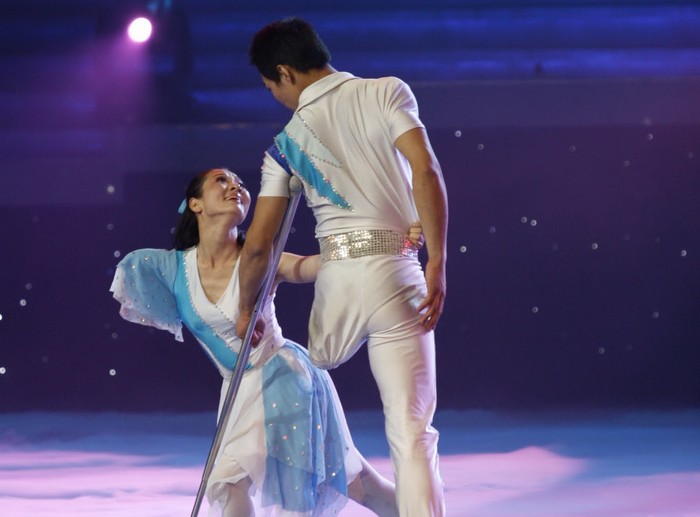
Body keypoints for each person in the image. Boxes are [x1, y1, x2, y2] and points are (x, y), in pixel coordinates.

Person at [110, 168, 423, 516]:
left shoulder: (261, 259)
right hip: (236, 390)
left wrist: (388, 241)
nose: (235, 187)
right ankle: (420, 509)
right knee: (354, 485)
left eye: (240, 184)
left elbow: (317, 264)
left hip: (282, 380)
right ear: (195, 203)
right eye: (222, 180)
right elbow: (132, 273)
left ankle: (424, 508)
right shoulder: (171, 269)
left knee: (245, 484)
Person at [236, 17, 449, 517]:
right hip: (398, 273)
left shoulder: (285, 145)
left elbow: (259, 246)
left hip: (339, 284)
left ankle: (333, 461)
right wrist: (437, 259)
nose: (277, 98)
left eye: (271, 88)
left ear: (285, 72)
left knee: (313, 363)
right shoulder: (387, 91)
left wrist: (248, 308)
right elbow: (426, 169)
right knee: (412, 430)